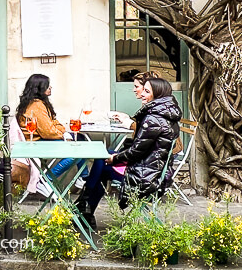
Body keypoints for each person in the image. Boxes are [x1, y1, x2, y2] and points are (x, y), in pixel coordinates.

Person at [76, 77, 181, 230]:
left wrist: (115, 159)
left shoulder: (153, 119)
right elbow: (140, 150)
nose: (142, 94)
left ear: (157, 94)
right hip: (151, 168)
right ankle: (85, 209)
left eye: (146, 91)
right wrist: (115, 158)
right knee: (104, 159)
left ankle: (84, 208)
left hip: (147, 176)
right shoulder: (164, 115)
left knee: (102, 162)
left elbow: (136, 152)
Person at [16, 74, 88, 188]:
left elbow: (54, 122)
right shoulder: (36, 105)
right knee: (76, 150)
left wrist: (64, 133)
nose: (50, 88)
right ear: (39, 88)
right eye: (47, 86)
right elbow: (47, 131)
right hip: (36, 143)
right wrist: (64, 135)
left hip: (41, 140)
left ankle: (83, 176)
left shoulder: (41, 103)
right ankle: (46, 179)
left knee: (79, 141)